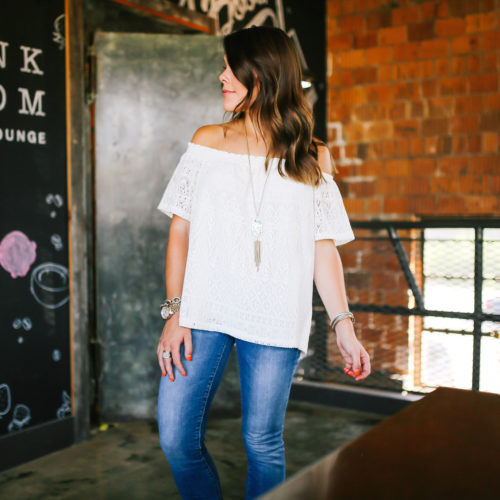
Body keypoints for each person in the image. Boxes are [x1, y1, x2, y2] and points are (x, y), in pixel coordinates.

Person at [156, 25, 371, 500]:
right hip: (203, 311)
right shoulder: (207, 141)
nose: (222, 76)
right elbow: (180, 231)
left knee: (262, 442)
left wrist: (343, 324)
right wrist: (174, 313)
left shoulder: (312, 156)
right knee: (175, 436)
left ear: (263, 76)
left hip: (275, 316)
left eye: (232, 68)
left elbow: (323, 247)